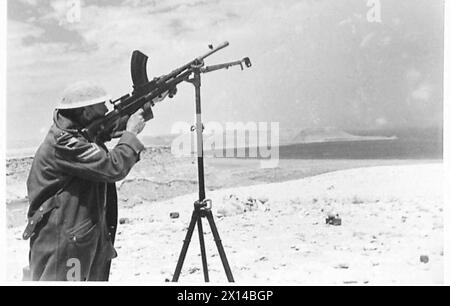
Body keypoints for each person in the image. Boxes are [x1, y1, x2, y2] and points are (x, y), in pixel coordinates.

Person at [22, 81, 163, 281]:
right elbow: (113, 166)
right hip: (62, 241)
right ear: (86, 112)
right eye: (102, 106)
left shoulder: (78, 132)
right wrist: (131, 134)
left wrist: (150, 102)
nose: (107, 109)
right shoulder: (65, 143)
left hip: (74, 235)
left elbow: (109, 126)